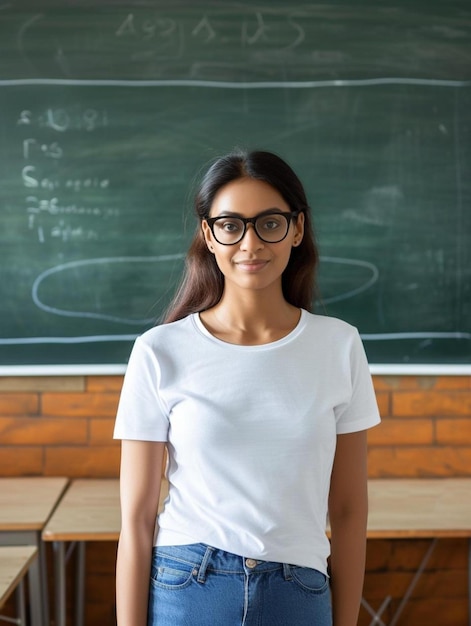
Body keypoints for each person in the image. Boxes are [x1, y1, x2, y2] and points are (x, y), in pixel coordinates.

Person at [114, 149, 381, 626]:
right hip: (187, 586)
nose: (250, 244)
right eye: (231, 225)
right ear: (208, 236)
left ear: (297, 229)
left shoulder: (339, 345)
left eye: (270, 223)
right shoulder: (159, 351)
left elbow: (348, 511)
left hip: (298, 589)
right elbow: (135, 521)